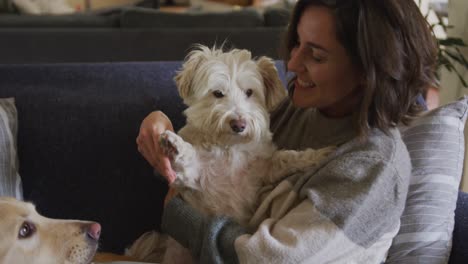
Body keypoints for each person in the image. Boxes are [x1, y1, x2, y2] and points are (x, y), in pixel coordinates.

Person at [136, 0, 438, 263]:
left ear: (367, 71)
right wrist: (159, 120)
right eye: (296, 43)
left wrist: (177, 214)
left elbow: (268, 259)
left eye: (316, 56)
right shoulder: (301, 104)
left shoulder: (372, 169)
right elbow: (211, 136)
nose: (292, 63)